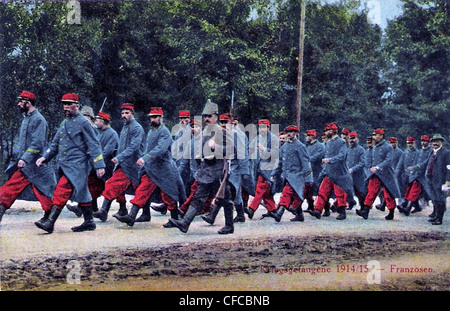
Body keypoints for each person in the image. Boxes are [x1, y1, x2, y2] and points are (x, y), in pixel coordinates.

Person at [35, 93, 106, 233]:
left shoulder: (84, 123)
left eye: (69, 104)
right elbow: (55, 144)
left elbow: (94, 145)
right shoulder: (64, 123)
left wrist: (99, 165)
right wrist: (45, 157)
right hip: (64, 164)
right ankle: (89, 221)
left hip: (77, 165)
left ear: (77, 106)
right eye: (64, 104)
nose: (66, 107)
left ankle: (50, 222)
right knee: (83, 193)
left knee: (62, 190)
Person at [169, 99, 235, 234]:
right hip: (206, 171)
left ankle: (229, 225)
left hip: (217, 172)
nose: (206, 119)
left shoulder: (221, 131)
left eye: (209, 116)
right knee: (198, 197)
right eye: (205, 116)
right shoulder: (205, 131)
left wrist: (215, 146)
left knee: (225, 199)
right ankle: (185, 223)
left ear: (216, 117)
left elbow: (230, 150)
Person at [114, 107, 186, 227]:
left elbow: (161, 149)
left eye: (155, 117)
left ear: (161, 118)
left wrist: (145, 158)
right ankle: (131, 216)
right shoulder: (151, 131)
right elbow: (148, 148)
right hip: (151, 169)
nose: (152, 119)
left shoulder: (164, 132)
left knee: (168, 194)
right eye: (151, 117)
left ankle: (174, 218)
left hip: (164, 169)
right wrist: (144, 161)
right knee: (142, 190)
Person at [0, 91, 57, 225]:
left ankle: (49, 220)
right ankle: (48, 220)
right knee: (9, 189)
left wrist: (25, 158)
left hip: (36, 165)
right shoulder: (27, 118)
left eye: (21, 101)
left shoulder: (39, 119)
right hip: (27, 166)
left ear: (28, 103)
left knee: (44, 191)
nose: (19, 104)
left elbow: (37, 144)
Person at [93, 103, 145, 222]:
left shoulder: (137, 128)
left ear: (132, 113)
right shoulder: (125, 127)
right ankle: (109, 211)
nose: (124, 115)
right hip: (124, 164)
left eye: (127, 113)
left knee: (140, 190)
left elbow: (134, 146)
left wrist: (119, 157)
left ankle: (143, 213)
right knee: (114, 185)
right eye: (122, 113)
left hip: (133, 164)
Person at [309, 123, 354, 221]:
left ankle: (342, 212)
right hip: (328, 172)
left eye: (328, 130)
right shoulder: (328, 143)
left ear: (333, 131)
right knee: (322, 191)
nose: (326, 132)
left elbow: (342, 156)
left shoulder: (341, 142)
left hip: (339, 173)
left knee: (340, 193)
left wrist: (330, 160)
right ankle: (317, 210)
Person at [357, 128, 401, 220]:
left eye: (376, 135)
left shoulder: (388, 147)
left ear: (381, 136)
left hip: (386, 174)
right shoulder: (374, 147)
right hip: (375, 174)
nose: (374, 137)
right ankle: (365, 211)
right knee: (371, 192)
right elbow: (371, 159)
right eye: (373, 135)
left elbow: (388, 160)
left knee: (388, 193)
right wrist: (370, 167)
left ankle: (391, 212)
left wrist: (377, 167)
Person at [271, 125, 312, 222]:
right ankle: (299, 215)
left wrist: (305, 177)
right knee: (295, 197)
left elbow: (305, 162)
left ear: (296, 133)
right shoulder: (285, 146)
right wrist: (274, 173)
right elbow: (280, 162)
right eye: (288, 132)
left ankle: (279, 213)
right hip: (287, 176)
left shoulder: (300, 146)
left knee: (287, 193)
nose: (289, 134)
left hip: (297, 176)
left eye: (292, 132)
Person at [245, 119, 279, 221]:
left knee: (260, 189)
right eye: (260, 128)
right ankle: (273, 210)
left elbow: (276, 153)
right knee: (266, 192)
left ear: (268, 128)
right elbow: (250, 149)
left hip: (269, 169)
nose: (262, 130)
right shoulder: (257, 138)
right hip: (258, 168)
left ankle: (251, 209)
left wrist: (264, 149)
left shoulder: (274, 139)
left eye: (264, 127)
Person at [424, 134, 449, 225]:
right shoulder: (432, 152)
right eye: (433, 142)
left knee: (440, 199)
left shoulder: (446, 153)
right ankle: (436, 216)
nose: (435, 143)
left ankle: (439, 219)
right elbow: (426, 163)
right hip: (430, 178)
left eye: (437, 141)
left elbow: (449, 167)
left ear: (441, 142)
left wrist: (448, 180)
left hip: (440, 180)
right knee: (434, 198)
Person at [395, 137, 418, 213]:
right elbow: (400, 164)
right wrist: (397, 172)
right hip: (405, 175)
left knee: (412, 192)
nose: (410, 145)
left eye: (411, 143)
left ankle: (406, 207)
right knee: (406, 191)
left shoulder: (418, 153)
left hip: (415, 175)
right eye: (408, 143)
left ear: (414, 143)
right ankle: (414, 206)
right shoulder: (405, 153)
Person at [305, 129, 326, 213]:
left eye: (307, 136)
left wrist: (307, 160)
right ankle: (310, 205)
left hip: (317, 170)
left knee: (319, 190)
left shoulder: (320, 146)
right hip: (309, 171)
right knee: (308, 190)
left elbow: (319, 156)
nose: (306, 138)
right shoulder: (306, 146)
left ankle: (325, 208)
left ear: (311, 137)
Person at [346, 132, 366, 209]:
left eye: (353, 138)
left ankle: (363, 207)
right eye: (350, 139)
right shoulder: (347, 150)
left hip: (358, 175)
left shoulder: (361, 149)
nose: (352, 140)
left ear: (357, 139)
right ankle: (351, 202)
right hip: (348, 175)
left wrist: (353, 169)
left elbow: (362, 163)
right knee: (348, 190)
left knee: (360, 192)